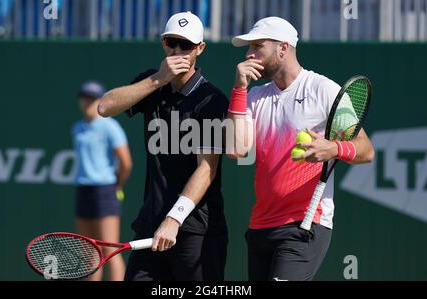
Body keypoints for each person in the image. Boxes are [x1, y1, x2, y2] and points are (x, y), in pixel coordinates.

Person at [227, 17, 375, 281]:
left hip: (305, 224)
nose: (249, 54)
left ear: (283, 48)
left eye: (257, 46)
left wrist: (333, 148)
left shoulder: (323, 90)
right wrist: (239, 88)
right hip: (261, 226)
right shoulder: (253, 97)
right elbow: (237, 150)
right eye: (248, 48)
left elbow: (366, 150)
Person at [98, 11, 229, 281]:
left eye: (187, 45)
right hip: (150, 226)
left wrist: (174, 219)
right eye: (172, 42)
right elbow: (104, 106)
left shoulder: (212, 99)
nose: (178, 51)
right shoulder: (152, 83)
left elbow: (206, 170)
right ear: (163, 43)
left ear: (200, 49)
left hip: (196, 231)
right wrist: (159, 78)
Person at [72, 80, 133, 281]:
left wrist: (117, 183)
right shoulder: (78, 128)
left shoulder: (110, 126)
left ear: (100, 100)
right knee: (88, 249)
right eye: (85, 97)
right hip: (83, 189)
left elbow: (125, 162)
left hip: (105, 190)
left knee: (110, 249)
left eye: (92, 98)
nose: (88, 102)